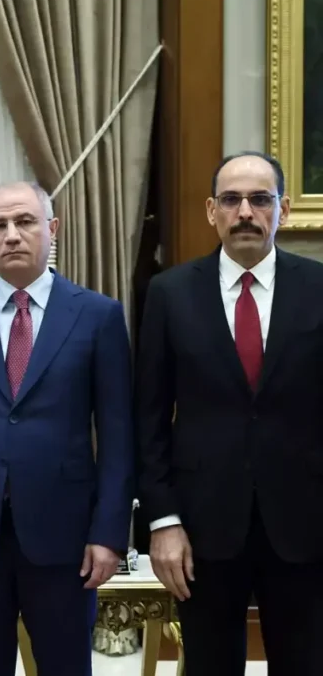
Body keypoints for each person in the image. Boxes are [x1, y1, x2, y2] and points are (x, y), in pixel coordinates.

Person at [0, 182, 134, 676]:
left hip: (65, 535)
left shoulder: (97, 315)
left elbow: (118, 439)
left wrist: (109, 533)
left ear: (52, 229)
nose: (12, 235)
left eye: (25, 222)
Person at [136, 151, 323, 674]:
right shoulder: (170, 294)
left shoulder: (318, 287)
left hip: (306, 526)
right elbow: (148, 419)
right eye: (231, 200)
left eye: (260, 199)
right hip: (202, 528)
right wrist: (163, 521)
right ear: (210, 210)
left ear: (283, 209)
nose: (245, 212)